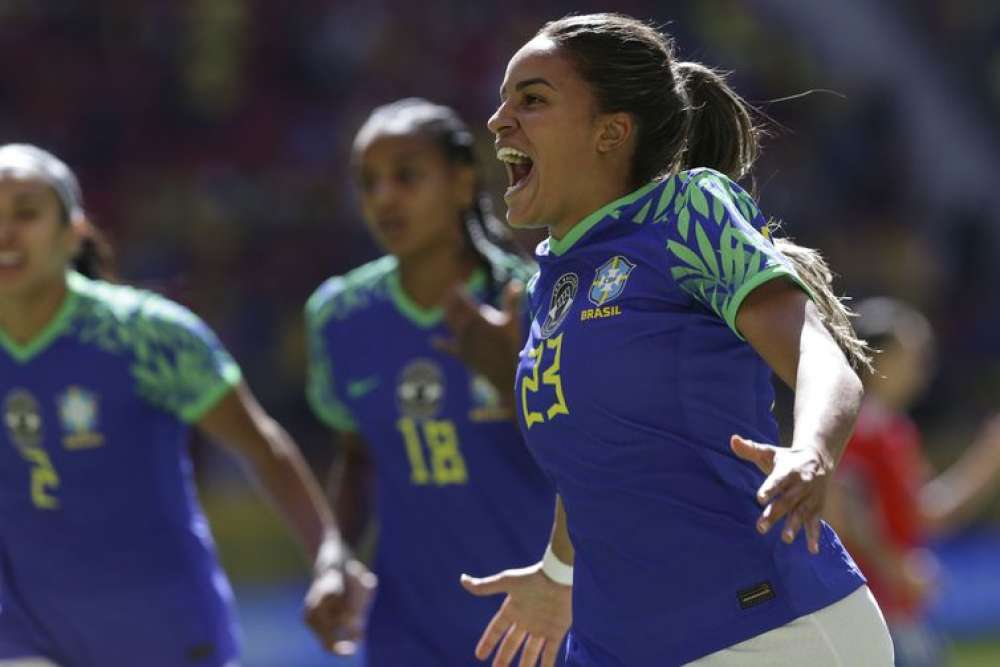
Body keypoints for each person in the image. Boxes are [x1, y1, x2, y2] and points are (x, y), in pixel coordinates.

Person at [457, 13, 896, 667]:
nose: (498, 121)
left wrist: (812, 450)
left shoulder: (683, 211)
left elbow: (816, 350)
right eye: (502, 101)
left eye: (532, 99)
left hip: (769, 631)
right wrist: (556, 570)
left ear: (611, 131)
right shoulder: (550, 282)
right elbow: (593, 462)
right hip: (616, 644)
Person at [0, 143, 355, 667]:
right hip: (26, 635)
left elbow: (261, 448)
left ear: (73, 232)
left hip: (163, 630)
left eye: (26, 213)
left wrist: (329, 557)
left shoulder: (146, 337)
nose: (5, 233)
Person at [303, 98, 558, 665]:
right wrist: (336, 556)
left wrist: (509, 376)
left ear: (463, 182)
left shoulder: (540, 301)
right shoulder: (339, 316)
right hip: (407, 634)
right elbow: (359, 459)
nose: (383, 197)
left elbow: (593, 459)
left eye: (407, 176)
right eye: (368, 183)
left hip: (539, 627)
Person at [826, 297, 1000, 667]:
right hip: (873, 608)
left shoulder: (892, 429)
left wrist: (988, 457)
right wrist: (896, 566)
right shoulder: (856, 425)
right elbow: (841, 504)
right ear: (880, 360)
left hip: (897, 609)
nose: (924, 368)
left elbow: (925, 513)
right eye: (913, 355)